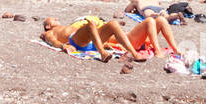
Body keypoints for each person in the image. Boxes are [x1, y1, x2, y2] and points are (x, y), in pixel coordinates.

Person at [41, 13, 178, 62]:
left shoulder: (68, 25)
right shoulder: (50, 32)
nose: (57, 19)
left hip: (94, 40)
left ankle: (175, 49)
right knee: (91, 24)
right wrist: (63, 46)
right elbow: (52, 41)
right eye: (53, 19)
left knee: (113, 23)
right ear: (48, 26)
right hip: (76, 40)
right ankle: (103, 54)